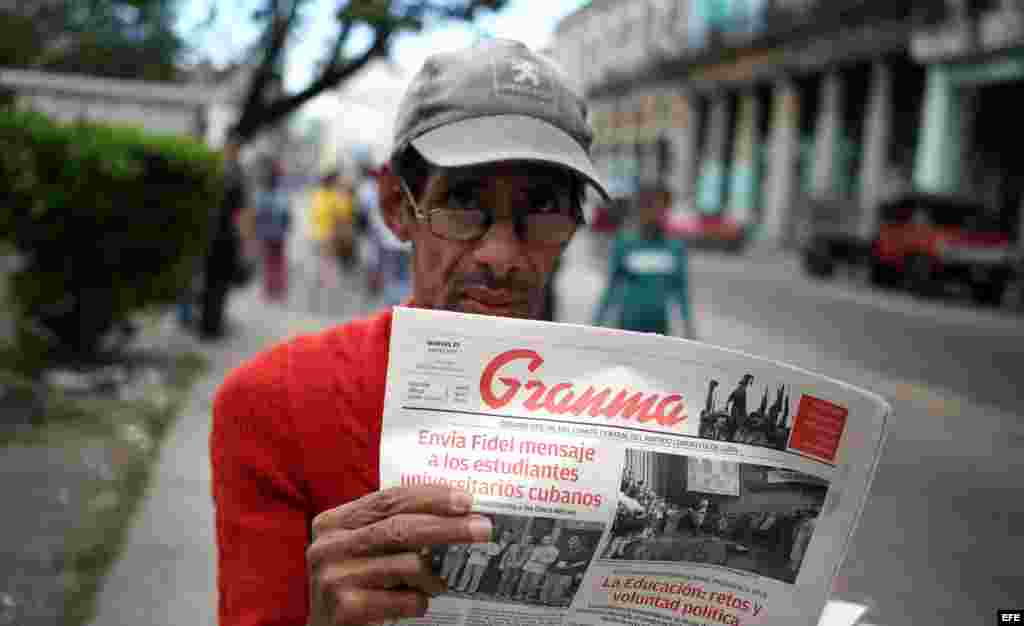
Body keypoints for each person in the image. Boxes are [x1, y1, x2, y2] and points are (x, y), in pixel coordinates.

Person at [210, 38, 609, 626]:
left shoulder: (634, 417)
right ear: (397, 206)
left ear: (574, 225)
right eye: (463, 202)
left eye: (543, 208)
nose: (500, 255)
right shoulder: (276, 406)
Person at [592, 184, 696, 339]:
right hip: (628, 325)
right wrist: (596, 324)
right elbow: (611, 288)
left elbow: (681, 291)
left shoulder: (675, 248)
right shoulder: (624, 244)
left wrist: (689, 328)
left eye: (662, 209)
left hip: (659, 327)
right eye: (649, 207)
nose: (655, 214)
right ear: (640, 210)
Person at [195, 129, 247, 340]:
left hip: (215, 234)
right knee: (217, 282)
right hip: (224, 235)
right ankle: (212, 324)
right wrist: (244, 239)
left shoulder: (213, 169)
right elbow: (242, 210)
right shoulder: (236, 174)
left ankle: (209, 323)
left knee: (212, 281)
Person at [253, 158, 292, 302]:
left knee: (270, 261)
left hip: (268, 232)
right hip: (277, 232)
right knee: (277, 261)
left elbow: (258, 213)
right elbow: (286, 212)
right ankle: (276, 289)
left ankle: (271, 289)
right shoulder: (281, 192)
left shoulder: (262, 192)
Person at [308, 169, 354, 290]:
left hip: (318, 233)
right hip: (328, 234)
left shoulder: (317, 194)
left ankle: (324, 282)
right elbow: (343, 215)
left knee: (324, 260)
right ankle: (329, 283)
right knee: (329, 261)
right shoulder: (333, 196)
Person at [541, 535, 590, 606]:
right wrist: (548, 570)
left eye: (575, 541)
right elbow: (556, 560)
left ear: (579, 543)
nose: (572, 542)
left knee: (558, 591)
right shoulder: (563, 550)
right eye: (571, 541)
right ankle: (544, 603)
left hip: (568, 574)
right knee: (546, 588)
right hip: (554, 572)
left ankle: (556, 604)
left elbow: (584, 563)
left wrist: (578, 572)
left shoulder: (584, 551)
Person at [515, 535, 560, 602]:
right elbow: (530, 556)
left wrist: (540, 560)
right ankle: (519, 595)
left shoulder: (554, 550)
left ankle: (529, 596)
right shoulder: (537, 547)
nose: (544, 541)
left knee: (533, 583)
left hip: (539, 570)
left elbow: (552, 560)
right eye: (544, 539)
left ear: (551, 541)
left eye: (547, 540)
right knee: (523, 582)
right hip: (529, 567)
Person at [496, 535, 534, 599]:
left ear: (530, 541)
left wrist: (522, 566)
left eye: (529, 539)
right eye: (526, 539)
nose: (527, 540)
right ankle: (499, 593)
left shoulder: (530, 549)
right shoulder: (513, 546)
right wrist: (501, 564)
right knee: (504, 579)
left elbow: (528, 559)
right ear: (522, 539)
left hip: (518, 567)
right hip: (509, 564)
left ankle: (507, 594)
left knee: (513, 581)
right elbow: (506, 555)